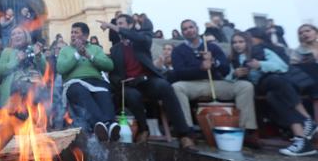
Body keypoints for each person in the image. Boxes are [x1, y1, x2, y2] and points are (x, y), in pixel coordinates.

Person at [101, 15, 195, 148]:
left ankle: (184, 135)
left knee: (165, 86)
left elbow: (139, 37)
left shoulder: (141, 41)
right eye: (117, 24)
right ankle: (143, 130)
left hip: (147, 81)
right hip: (128, 85)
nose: (118, 26)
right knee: (132, 95)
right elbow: (114, 75)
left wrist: (112, 26)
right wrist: (121, 81)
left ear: (130, 26)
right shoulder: (115, 49)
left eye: (121, 23)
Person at [171, 19, 260, 147]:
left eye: (191, 27)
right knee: (176, 87)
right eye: (185, 29)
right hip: (193, 84)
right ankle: (188, 132)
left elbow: (225, 69)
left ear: (197, 28)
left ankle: (247, 131)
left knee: (245, 86)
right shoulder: (178, 51)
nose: (189, 30)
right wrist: (200, 67)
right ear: (182, 33)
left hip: (217, 83)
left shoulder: (212, 47)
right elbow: (179, 73)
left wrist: (214, 62)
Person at [229, 30, 317, 156]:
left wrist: (260, 64)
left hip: (274, 85)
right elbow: (227, 77)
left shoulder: (261, 51)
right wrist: (235, 74)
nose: (237, 45)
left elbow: (282, 66)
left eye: (241, 41)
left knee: (275, 96)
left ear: (247, 42)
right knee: (276, 83)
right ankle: (307, 119)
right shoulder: (232, 59)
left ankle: (302, 140)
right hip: (257, 87)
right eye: (234, 42)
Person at [57, 22, 118, 141]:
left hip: (96, 81)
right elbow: (61, 68)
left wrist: (90, 56)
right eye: (72, 32)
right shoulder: (65, 50)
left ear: (85, 36)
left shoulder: (95, 49)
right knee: (80, 91)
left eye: (76, 32)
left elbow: (109, 66)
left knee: (104, 92)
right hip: (74, 83)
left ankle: (109, 127)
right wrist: (77, 55)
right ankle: (102, 124)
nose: (73, 35)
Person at [0, 26, 46, 108]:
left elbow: (44, 70)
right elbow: (0, 70)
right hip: (14, 87)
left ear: (26, 35)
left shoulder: (33, 49)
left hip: (35, 84)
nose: (16, 36)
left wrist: (38, 56)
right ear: (11, 38)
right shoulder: (7, 51)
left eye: (19, 33)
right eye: (13, 34)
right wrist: (16, 61)